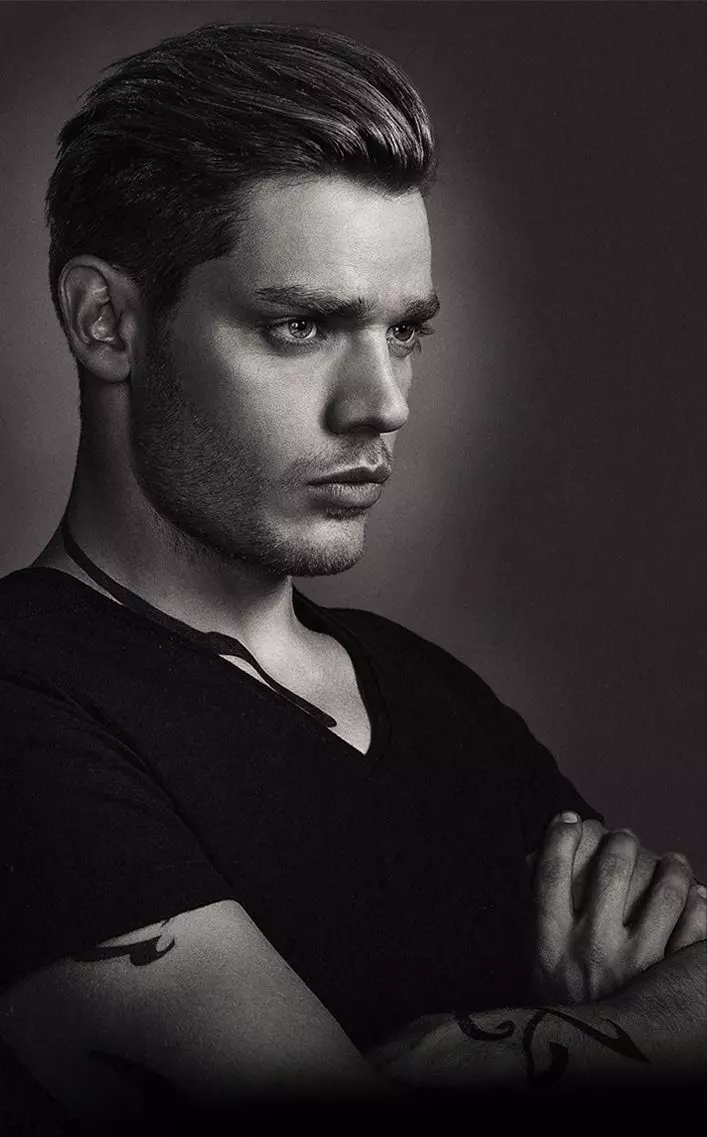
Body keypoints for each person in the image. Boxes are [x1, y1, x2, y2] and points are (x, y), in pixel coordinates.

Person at [0, 21, 704, 1132]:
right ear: (106, 322)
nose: (383, 404)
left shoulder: (434, 695)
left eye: (404, 332)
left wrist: (551, 1045)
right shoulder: (24, 707)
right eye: (301, 325)